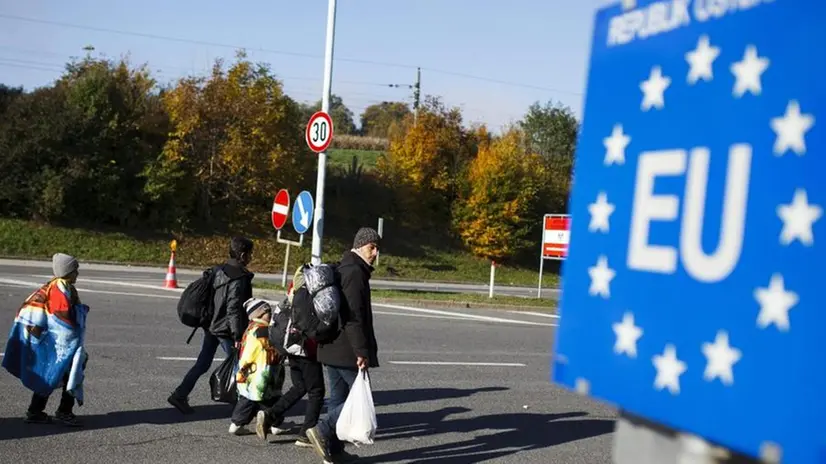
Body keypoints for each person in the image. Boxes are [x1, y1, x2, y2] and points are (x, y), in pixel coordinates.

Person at [305, 227, 380, 463]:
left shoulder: (343, 266)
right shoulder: (355, 272)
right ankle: (322, 430)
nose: (375, 253)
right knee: (357, 400)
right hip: (347, 349)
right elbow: (353, 316)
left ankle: (333, 452)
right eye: (372, 247)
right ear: (360, 246)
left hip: (331, 346)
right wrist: (361, 351)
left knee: (339, 399)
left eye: (377, 248)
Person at [168, 236, 255, 415]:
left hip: (211, 326)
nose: (251, 258)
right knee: (240, 365)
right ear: (243, 254)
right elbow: (233, 309)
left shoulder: (218, 270)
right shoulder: (239, 278)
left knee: (203, 363)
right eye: (250, 254)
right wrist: (238, 336)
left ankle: (180, 394)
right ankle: (242, 409)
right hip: (226, 330)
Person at [2, 253, 89, 427]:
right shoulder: (60, 289)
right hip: (60, 342)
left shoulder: (57, 286)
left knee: (50, 372)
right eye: (75, 270)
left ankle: (35, 411)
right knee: (68, 372)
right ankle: (64, 412)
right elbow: (61, 319)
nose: (77, 273)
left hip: (50, 340)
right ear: (67, 272)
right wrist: (71, 341)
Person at [255, 276, 326, 447]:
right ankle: (306, 434)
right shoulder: (310, 297)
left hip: (289, 348)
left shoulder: (292, 295)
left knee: (300, 386)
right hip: (304, 350)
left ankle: (270, 415)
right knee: (316, 391)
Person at [229, 298, 289, 436]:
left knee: (249, 398)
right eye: (267, 312)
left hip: (253, 373)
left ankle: (237, 423)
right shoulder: (262, 331)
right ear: (258, 314)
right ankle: (274, 423)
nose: (270, 314)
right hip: (263, 371)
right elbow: (254, 352)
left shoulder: (251, 328)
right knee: (268, 399)